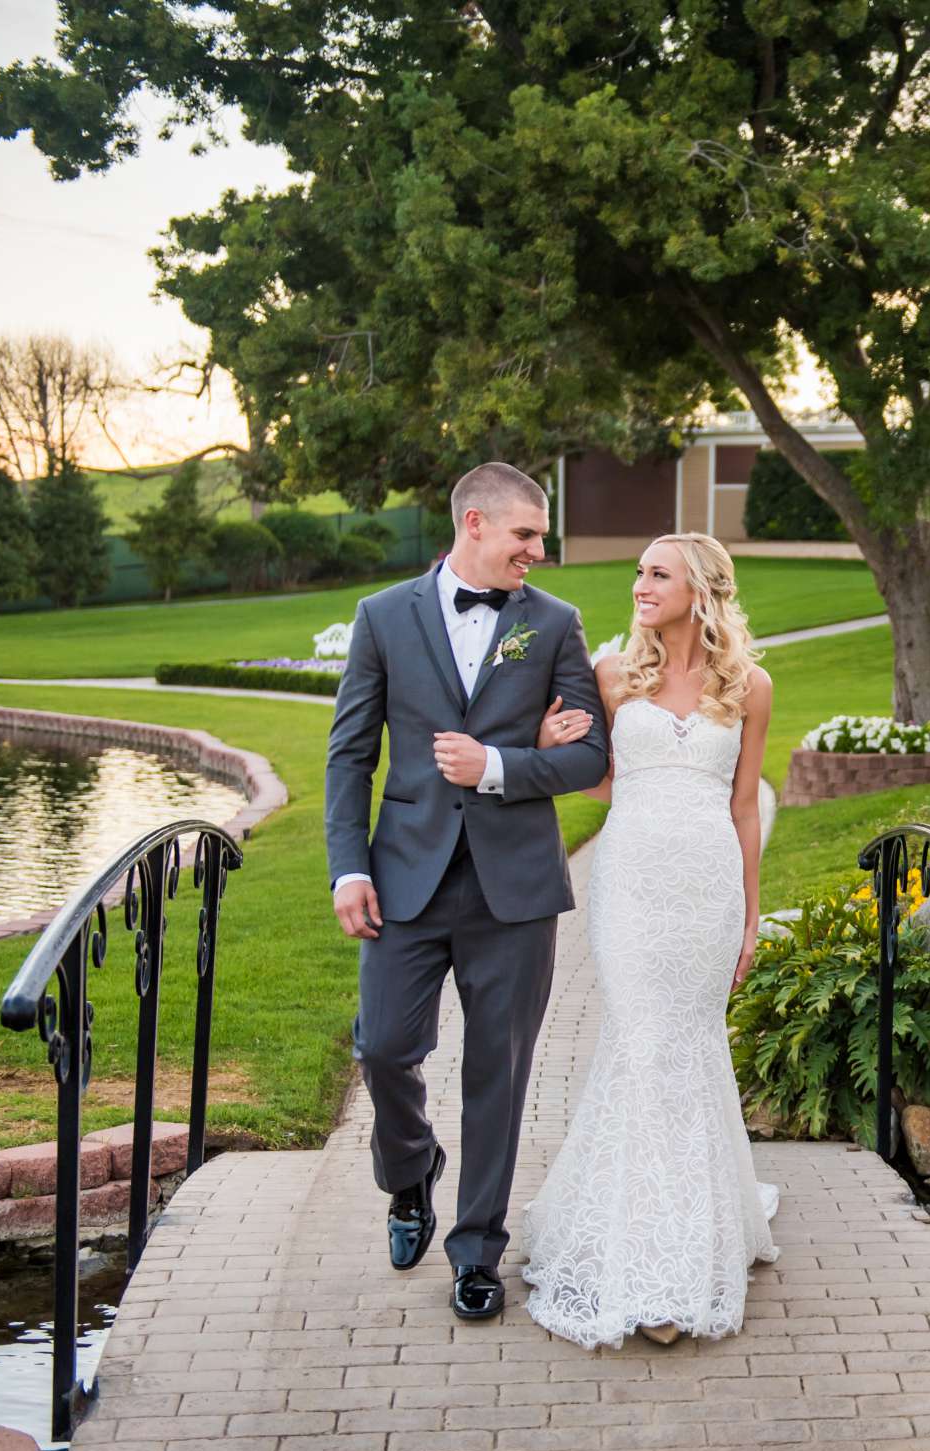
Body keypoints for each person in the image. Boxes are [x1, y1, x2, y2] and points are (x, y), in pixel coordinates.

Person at [325, 462, 611, 1322]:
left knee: (500, 1070)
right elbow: (350, 756)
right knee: (383, 1047)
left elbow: (592, 758)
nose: (540, 549)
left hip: (514, 890)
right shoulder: (382, 618)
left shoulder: (555, 624)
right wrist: (349, 865)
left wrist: (499, 765)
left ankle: (478, 1248)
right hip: (403, 879)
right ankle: (410, 1173)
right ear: (476, 523)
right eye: (527, 534)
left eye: (542, 535)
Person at [519, 532, 780, 1348]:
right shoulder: (611, 673)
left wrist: (749, 912)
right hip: (629, 884)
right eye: (638, 572)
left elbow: (744, 806)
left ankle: (689, 1245)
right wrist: (545, 748)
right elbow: (601, 780)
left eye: (656, 574)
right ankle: (639, 1254)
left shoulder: (750, 686)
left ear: (700, 589)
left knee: (687, 1045)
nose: (639, 584)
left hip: (704, 888)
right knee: (640, 1044)